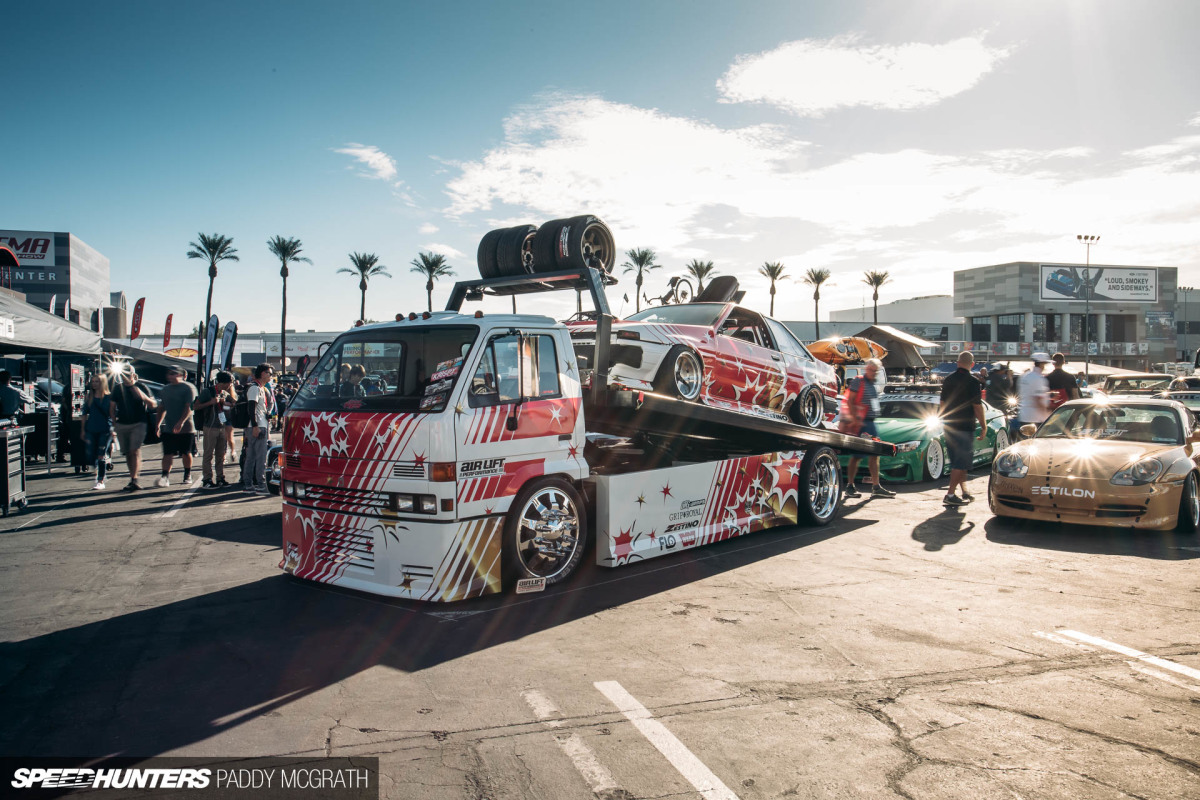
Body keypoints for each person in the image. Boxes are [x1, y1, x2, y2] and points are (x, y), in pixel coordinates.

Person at [840, 359, 896, 499]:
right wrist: (855, 419)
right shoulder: (859, 381)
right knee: (857, 456)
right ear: (866, 369)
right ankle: (850, 486)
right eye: (871, 370)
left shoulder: (872, 384)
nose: (873, 373)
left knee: (874, 454)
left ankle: (876, 486)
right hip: (862, 423)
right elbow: (851, 400)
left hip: (870, 422)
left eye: (875, 371)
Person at [938, 352, 988, 507]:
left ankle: (964, 491)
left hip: (949, 426)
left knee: (958, 462)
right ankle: (950, 494)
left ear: (957, 362)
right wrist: (984, 425)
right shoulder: (973, 382)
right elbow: (977, 407)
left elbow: (942, 404)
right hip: (965, 427)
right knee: (961, 463)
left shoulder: (948, 380)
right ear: (972, 364)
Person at [111, 367, 156, 491]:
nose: (126, 377)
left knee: (134, 450)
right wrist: (114, 422)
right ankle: (132, 477)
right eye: (123, 374)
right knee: (127, 452)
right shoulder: (117, 388)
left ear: (133, 375)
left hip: (139, 423)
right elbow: (112, 406)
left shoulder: (141, 387)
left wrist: (142, 396)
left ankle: (135, 479)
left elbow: (153, 405)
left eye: (128, 374)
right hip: (122, 423)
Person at [155, 365, 198, 487]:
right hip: (169, 427)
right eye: (169, 373)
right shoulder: (165, 389)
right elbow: (162, 407)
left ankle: (187, 474)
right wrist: (158, 424)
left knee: (186, 452)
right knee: (167, 453)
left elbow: (189, 407)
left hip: (186, 428)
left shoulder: (188, 388)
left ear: (180, 375)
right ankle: (165, 476)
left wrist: (181, 422)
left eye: (173, 373)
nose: (171, 376)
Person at [194, 371, 236, 488]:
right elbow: (195, 406)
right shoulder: (208, 392)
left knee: (220, 454)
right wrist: (210, 402)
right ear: (223, 382)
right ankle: (207, 479)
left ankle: (220, 477)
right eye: (229, 383)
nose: (230, 385)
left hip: (221, 426)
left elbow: (234, 403)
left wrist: (227, 403)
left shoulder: (224, 393)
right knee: (208, 454)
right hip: (210, 426)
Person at [80, 374, 117, 490]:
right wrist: (82, 430)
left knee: (101, 454)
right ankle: (98, 473)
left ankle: (100, 479)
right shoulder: (89, 397)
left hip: (104, 429)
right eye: (93, 381)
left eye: (97, 381)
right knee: (91, 454)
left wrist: (114, 429)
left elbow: (112, 414)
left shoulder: (108, 397)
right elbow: (84, 414)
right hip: (91, 428)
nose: (94, 384)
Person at [242, 363, 274, 495]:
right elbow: (251, 407)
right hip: (257, 425)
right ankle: (260, 484)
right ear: (263, 373)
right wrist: (255, 426)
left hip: (259, 424)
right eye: (269, 373)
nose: (271, 376)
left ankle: (249, 483)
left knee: (252, 456)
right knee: (259, 457)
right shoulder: (255, 388)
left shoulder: (260, 388)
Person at [1015, 353, 1052, 441]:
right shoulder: (1038, 378)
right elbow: (1038, 399)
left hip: (1024, 415)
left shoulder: (1024, 376)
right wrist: (1049, 414)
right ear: (1041, 364)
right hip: (1036, 418)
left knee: (1024, 443)